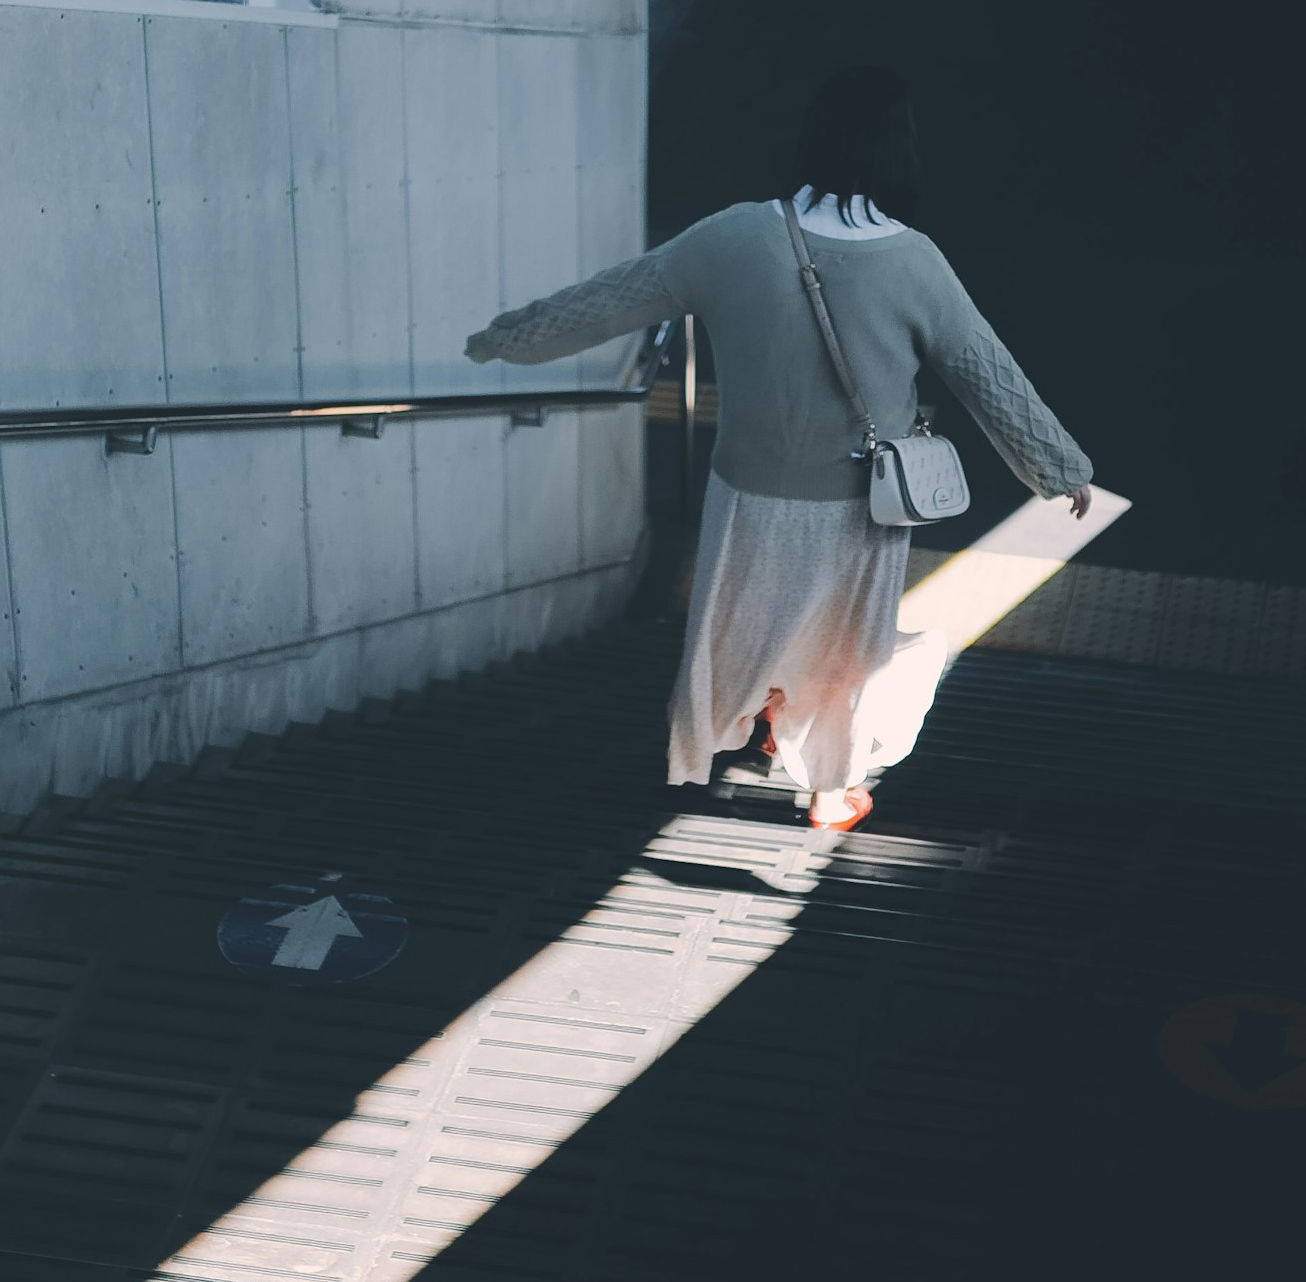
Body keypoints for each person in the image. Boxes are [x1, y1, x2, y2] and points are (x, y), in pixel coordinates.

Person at [467, 57, 1094, 832]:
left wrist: (504, 339)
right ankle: (830, 786)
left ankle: (713, 744)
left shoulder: (729, 237)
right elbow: (985, 373)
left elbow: (608, 299)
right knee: (849, 646)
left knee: (737, 627)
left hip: (748, 491)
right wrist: (1058, 468)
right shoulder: (913, 259)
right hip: (862, 503)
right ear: (901, 149)